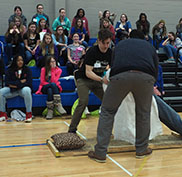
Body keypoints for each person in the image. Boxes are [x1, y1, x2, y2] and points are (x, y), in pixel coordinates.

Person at [87, 30, 158, 162]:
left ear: (130, 37)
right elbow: (156, 68)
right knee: (143, 113)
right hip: (146, 77)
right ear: (143, 38)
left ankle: (100, 152)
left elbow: (113, 65)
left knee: (107, 111)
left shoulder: (120, 44)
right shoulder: (150, 46)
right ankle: (142, 150)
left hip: (121, 76)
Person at [67, 29, 113, 134]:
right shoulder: (92, 51)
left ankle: (106, 129)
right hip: (83, 79)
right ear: (98, 41)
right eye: (104, 43)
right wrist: (102, 79)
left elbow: (112, 68)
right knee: (83, 101)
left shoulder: (110, 52)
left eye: (108, 43)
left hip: (97, 79)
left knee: (108, 102)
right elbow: (88, 72)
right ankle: (72, 129)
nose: (106, 46)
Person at [0, 55, 33, 122]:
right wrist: (20, 82)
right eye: (18, 60)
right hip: (12, 90)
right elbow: (7, 83)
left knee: (27, 89)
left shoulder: (27, 69)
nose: (20, 62)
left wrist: (15, 84)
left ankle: (28, 114)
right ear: (15, 61)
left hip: (22, 90)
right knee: (0, 92)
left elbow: (29, 82)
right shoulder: (9, 70)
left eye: (21, 60)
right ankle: (3, 114)